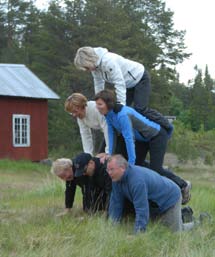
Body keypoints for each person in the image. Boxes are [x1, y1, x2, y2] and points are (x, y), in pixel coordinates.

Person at [95, 89, 191, 204]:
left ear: (108, 103)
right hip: (143, 140)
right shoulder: (108, 115)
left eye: (100, 104)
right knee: (139, 165)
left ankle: (183, 184)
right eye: (96, 104)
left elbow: (129, 139)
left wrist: (130, 163)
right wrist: (109, 154)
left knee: (156, 168)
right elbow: (111, 133)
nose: (97, 107)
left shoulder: (122, 115)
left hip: (157, 136)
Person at [74, 46, 171, 130]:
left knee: (140, 109)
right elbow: (98, 83)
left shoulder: (108, 61)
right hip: (128, 84)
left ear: (89, 60)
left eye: (86, 67)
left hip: (140, 78)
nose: (87, 70)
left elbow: (119, 82)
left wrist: (121, 104)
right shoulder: (95, 68)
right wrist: (98, 102)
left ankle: (166, 124)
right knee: (116, 113)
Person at [107, 155, 195, 233]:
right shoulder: (116, 179)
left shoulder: (136, 181)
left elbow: (141, 209)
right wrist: (112, 227)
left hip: (170, 197)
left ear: (122, 168)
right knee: (157, 227)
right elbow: (116, 203)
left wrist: (138, 234)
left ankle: (198, 223)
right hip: (155, 203)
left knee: (174, 232)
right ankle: (184, 213)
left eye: (112, 169)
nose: (109, 173)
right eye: (108, 169)